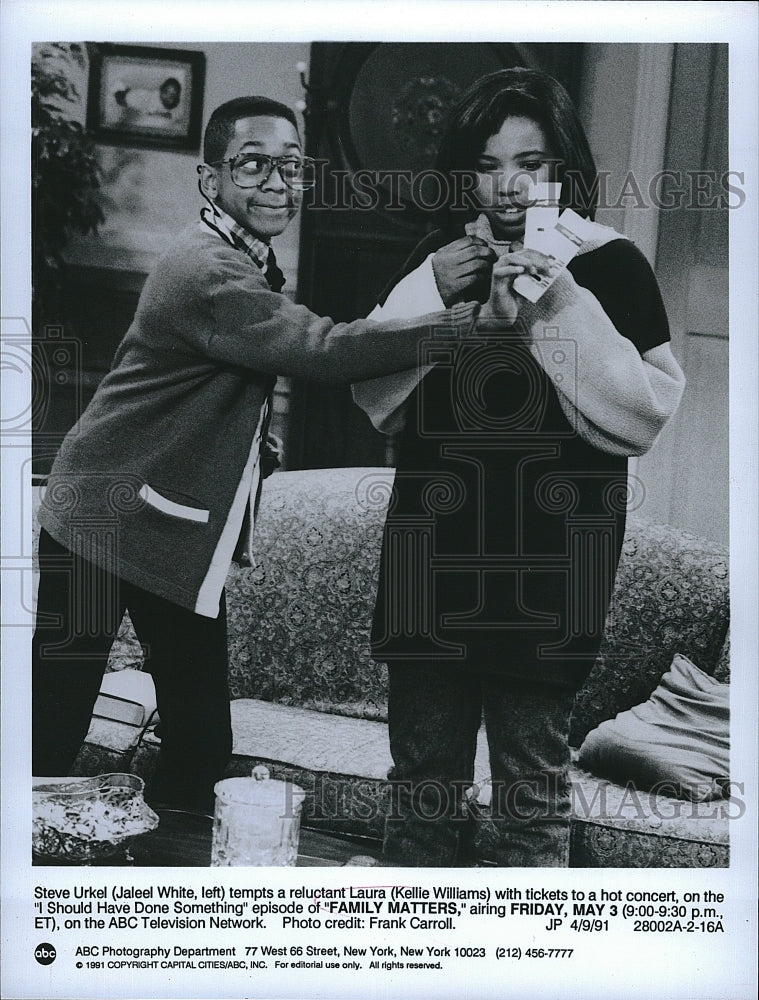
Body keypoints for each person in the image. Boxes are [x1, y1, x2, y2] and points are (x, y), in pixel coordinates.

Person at [32, 95, 481, 813]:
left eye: (291, 165)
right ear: (211, 181)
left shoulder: (240, 256)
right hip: (100, 518)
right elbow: (319, 349)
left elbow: (244, 364)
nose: (277, 182)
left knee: (200, 743)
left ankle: (162, 888)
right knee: (46, 730)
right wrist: (453, 323)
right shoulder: (207, 269)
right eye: (253, 164)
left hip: (159, 524)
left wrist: (249, 445)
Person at [352, 68, 686, 866]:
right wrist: (439, 299)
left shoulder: (610, 267)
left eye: (529, 163)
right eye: (489, 162)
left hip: (548, 573)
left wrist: (555, 301)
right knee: (420, 790)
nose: (508, 185)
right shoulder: (441, 259)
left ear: (562, 167)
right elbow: (370, 393)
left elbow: (643, 412)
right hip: (431, 562)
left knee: (530, 801)